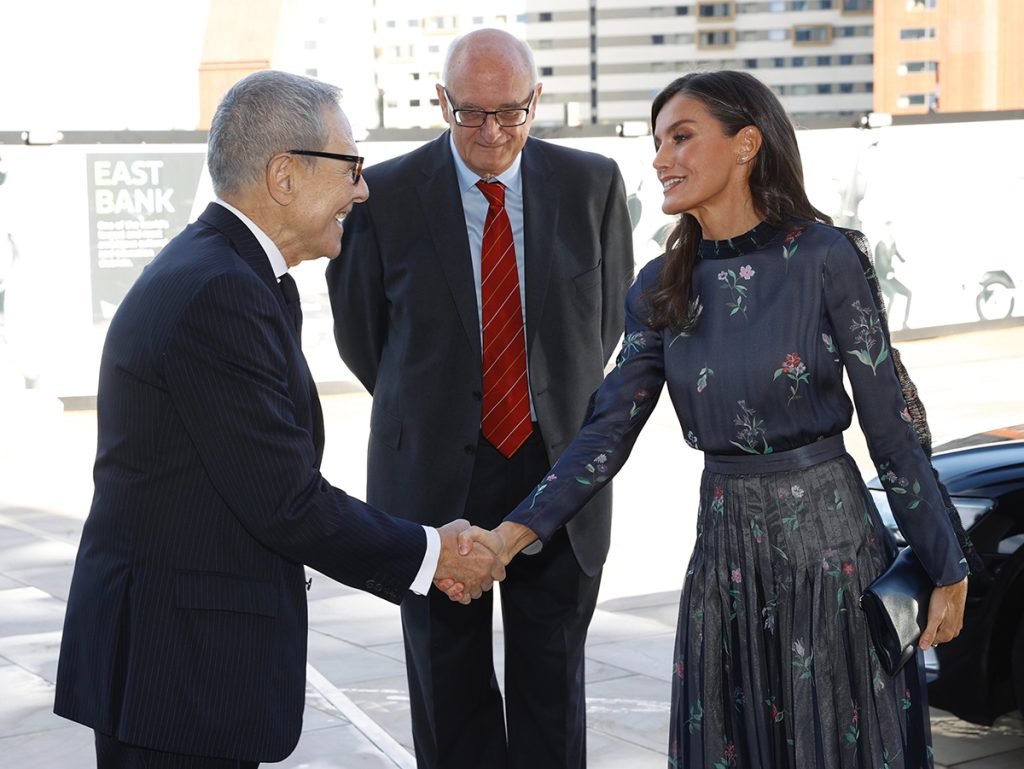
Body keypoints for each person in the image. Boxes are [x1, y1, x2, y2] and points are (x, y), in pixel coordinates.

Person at [459, 71, 972, 768]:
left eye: (681, 136)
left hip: (831, 559)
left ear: (746, 144)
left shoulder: (826, 257)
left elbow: (891, 427)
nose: (661, 158)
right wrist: (507, 538)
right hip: (724, 565)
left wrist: (947, 565)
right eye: (657, 141)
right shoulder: (658, 287)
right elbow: (604, 433)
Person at [53, 70, 505, 769]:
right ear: (285, 175)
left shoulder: (229, 274)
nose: (363, 188)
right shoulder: (219, 293)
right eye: (351, 166)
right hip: (177, 674)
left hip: (179, 663)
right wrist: (430, 553)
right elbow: (285, 500)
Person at [325, 28, 634, 769]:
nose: (492, 131)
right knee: (447, 691)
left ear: (535, 100)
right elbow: (364, 339)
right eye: (471, 113)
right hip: (432, 482)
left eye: (511, 112)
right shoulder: (384, 195)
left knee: (553, 691)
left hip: (557, 472)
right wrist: (440, 408)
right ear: (440, 102)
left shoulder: (593, 185)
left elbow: (610, 323)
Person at [875, 220, 913, 330]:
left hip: (889, 278)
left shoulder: (892, 245)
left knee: (908, 293)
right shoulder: (880, 245)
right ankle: (884, 325)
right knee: (891, 296)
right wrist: (890, 269)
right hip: (881, 279)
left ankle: (904, 323)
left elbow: (902, 259)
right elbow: (882, 265)